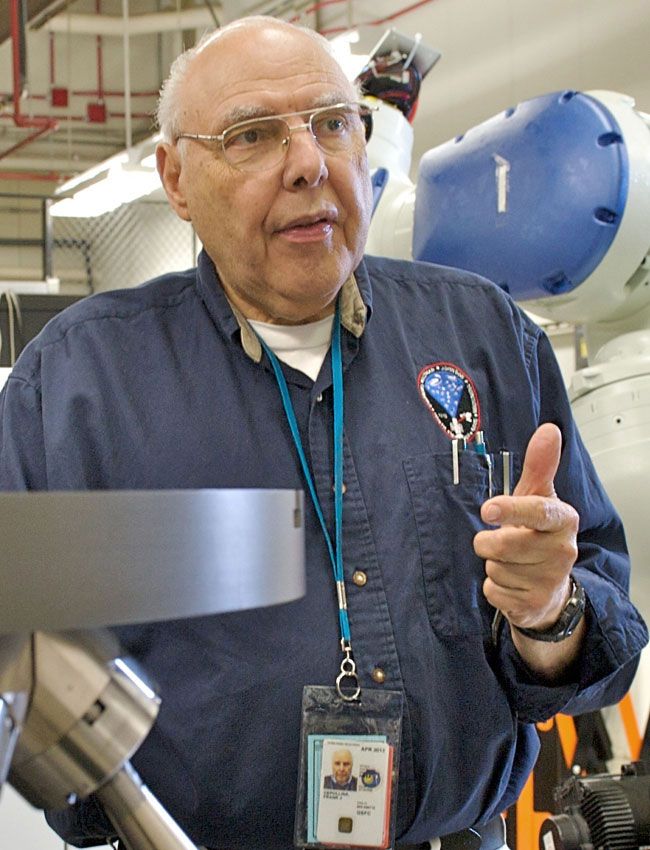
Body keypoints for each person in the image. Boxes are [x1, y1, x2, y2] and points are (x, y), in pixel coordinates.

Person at [0, 14, 647, 850]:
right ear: (176, 177)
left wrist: (549, 616)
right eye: (254, 135)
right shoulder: (80, 385)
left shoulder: (484, 337)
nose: (308, 164)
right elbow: (20, 663)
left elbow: (603, 627)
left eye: (333, 124)